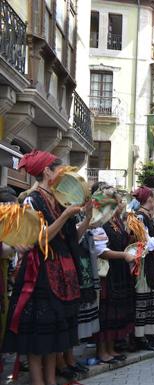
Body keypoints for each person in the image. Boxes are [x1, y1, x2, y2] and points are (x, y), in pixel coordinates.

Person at [3, 150, 85, 385]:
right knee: (38, 338)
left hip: (61, 274)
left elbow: (71, 238)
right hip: (40, 275)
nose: (63, 174)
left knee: (54, 340)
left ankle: (51, 381)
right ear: (47, 172)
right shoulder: (32, 199)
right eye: (59, 169)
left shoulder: (60, 199)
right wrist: (66, 214)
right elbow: (40, 238)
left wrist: (88, 218)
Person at [93, 183, 136, 365]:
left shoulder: (117, 221)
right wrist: (124, 255)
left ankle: (111, 348)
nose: (121, 205)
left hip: (119, 270)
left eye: (121, 202)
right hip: (107, 272)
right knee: (105, 313)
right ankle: (102, 350)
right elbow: (100, 251)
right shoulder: (100, 220)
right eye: (118, 203)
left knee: (115, 312)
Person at [129, 186, 154, 351]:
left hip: (151, 264)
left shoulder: (147, 217)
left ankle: (151, 334)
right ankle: (142, 337)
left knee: (152, 299)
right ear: (150, 199)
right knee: (144, 300)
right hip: (144, 266)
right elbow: (146, 244)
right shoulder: (140, 217)